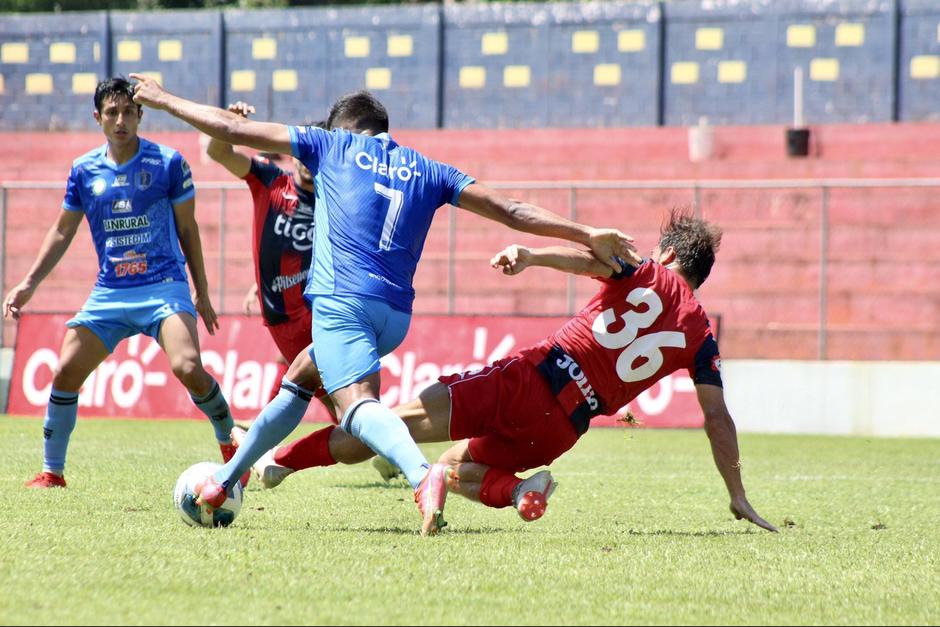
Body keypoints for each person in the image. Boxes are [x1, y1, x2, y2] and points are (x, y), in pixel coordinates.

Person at [130, 76, 640, 535]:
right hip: (393, 315)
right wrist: (586, 232)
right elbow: (511, 209)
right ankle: (224, 479)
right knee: (301, 378)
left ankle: (423, 476)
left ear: (347, 127)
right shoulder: (430, 168)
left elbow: (227, 127)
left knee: (355, 407)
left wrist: (162, 98)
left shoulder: (331, 143)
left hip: (342, 302)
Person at [237, 210, 778, 533]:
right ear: (701, 278)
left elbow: (592, 261)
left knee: (385, 421)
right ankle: (520, 493)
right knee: (451, 468)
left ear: (669, 250)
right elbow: (717, 419)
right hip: (566, 427)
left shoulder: (647, 270)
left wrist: (531, 255)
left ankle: (278, 464)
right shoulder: (702, 336)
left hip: (533, 377)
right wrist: (736, 491)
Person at [3, 77, 238, 488]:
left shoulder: (168, 163)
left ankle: (229, 442)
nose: (121, 120)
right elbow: (61, 231)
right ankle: (52, 473)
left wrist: (200, 291)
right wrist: (27, 284)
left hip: (164, 285)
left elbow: (189, 228)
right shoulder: (83, 170)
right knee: (64, 372)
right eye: (112, 112)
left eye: (128, 111)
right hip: (110, 292)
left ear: (140, 115)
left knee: (188, 367)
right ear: (98, 118)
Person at [204, 102, 334, 418]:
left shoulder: (333, 201)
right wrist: (229, 123)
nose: (306, 159)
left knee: (323, 386)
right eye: (302, 150)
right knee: (331, 396)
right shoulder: (271, 180)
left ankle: (261, 436)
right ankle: (377, 442)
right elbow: (218, 153)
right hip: (278, 314)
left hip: (316, 311)